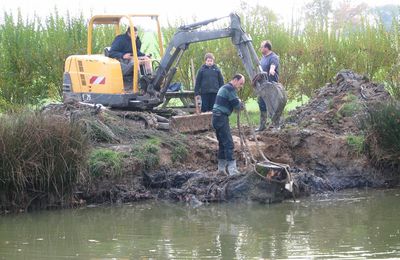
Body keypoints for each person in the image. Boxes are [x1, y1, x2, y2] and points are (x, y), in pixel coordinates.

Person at [212, 74, 245, 176]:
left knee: (222, 143)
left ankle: (221, 169)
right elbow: (237, 105)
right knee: (229, 143)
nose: (241, 86)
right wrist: (241, 104)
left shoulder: (225, 87)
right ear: (235, 80)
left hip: (216, 117)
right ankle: (233, 171)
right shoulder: (230, 89)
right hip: (221, 117)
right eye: (240, 83)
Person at [256, 40, 280, 131]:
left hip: (271, 86)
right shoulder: (263, 58)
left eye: (261, 47)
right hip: (262, 86)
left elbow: (273, 66)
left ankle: (276, 126)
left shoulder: (273, 57)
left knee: (273, 106)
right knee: (261, 104)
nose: (260, 48)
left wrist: (272, 70)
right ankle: (262, 125)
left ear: (266, 48)